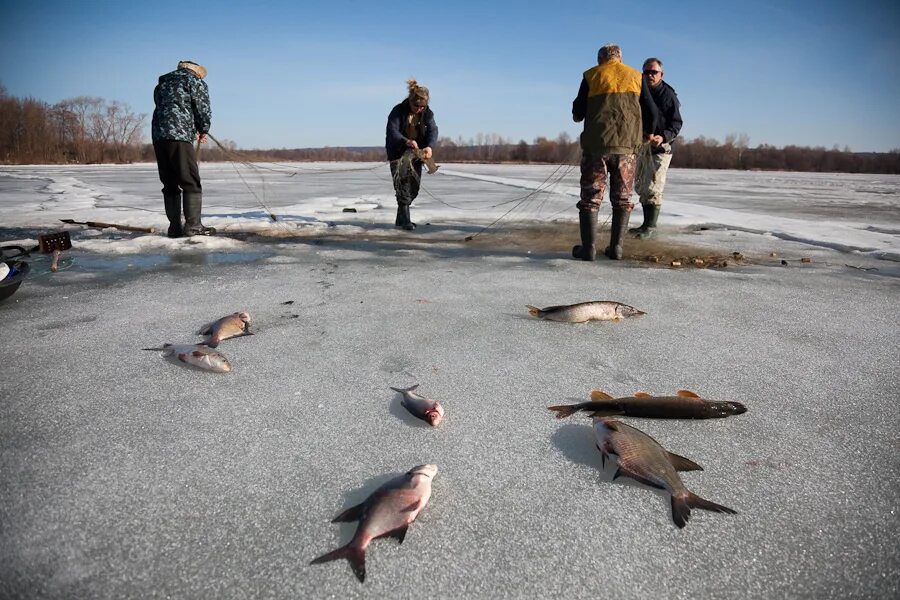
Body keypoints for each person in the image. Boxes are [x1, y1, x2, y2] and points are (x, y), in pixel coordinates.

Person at [571, 44, 656, 260]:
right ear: (620, 57)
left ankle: (588, 249)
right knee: (622, 199)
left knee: (591, 198)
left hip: (595, 149)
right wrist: (647, 132)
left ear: (600, 59)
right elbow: (652, 112)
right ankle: (616, 248)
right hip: (626, 150)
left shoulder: (592, 75)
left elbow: (577, 112)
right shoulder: (636, 76)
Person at [152, 60, 215, 238]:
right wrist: (203, 129)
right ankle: (193, 227)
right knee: (190, 182)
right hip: (179, 136)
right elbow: (202, 108)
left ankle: (175, 228)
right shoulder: (193, 81)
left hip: (159, 136)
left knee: (170, 183)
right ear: (196, 72)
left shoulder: (162, 84)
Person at [630, 57, 683, 238]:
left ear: (661, 74)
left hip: (661, 149)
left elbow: (676, 124)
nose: (650, 76)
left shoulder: (668, 96)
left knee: (653, 187)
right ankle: (645, 224)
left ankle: (651, 227)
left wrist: (663, 137)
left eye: (654, 72)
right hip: (642, 146)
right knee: (641, 186)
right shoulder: (638, 92)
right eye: (647, 72)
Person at [385, 79, 438, 231]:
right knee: (402, 184)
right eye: (417, 106)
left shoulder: (427, 113)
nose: (420, 109)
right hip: (398, 152)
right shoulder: (397, 111)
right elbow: (392, 131)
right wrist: (406, 141)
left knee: (414, 187)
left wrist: (429, 146)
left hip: (417, 153)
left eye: (423, 106)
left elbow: (433, 130)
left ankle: (400, 220)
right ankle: (405, 221)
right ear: (410, 101)